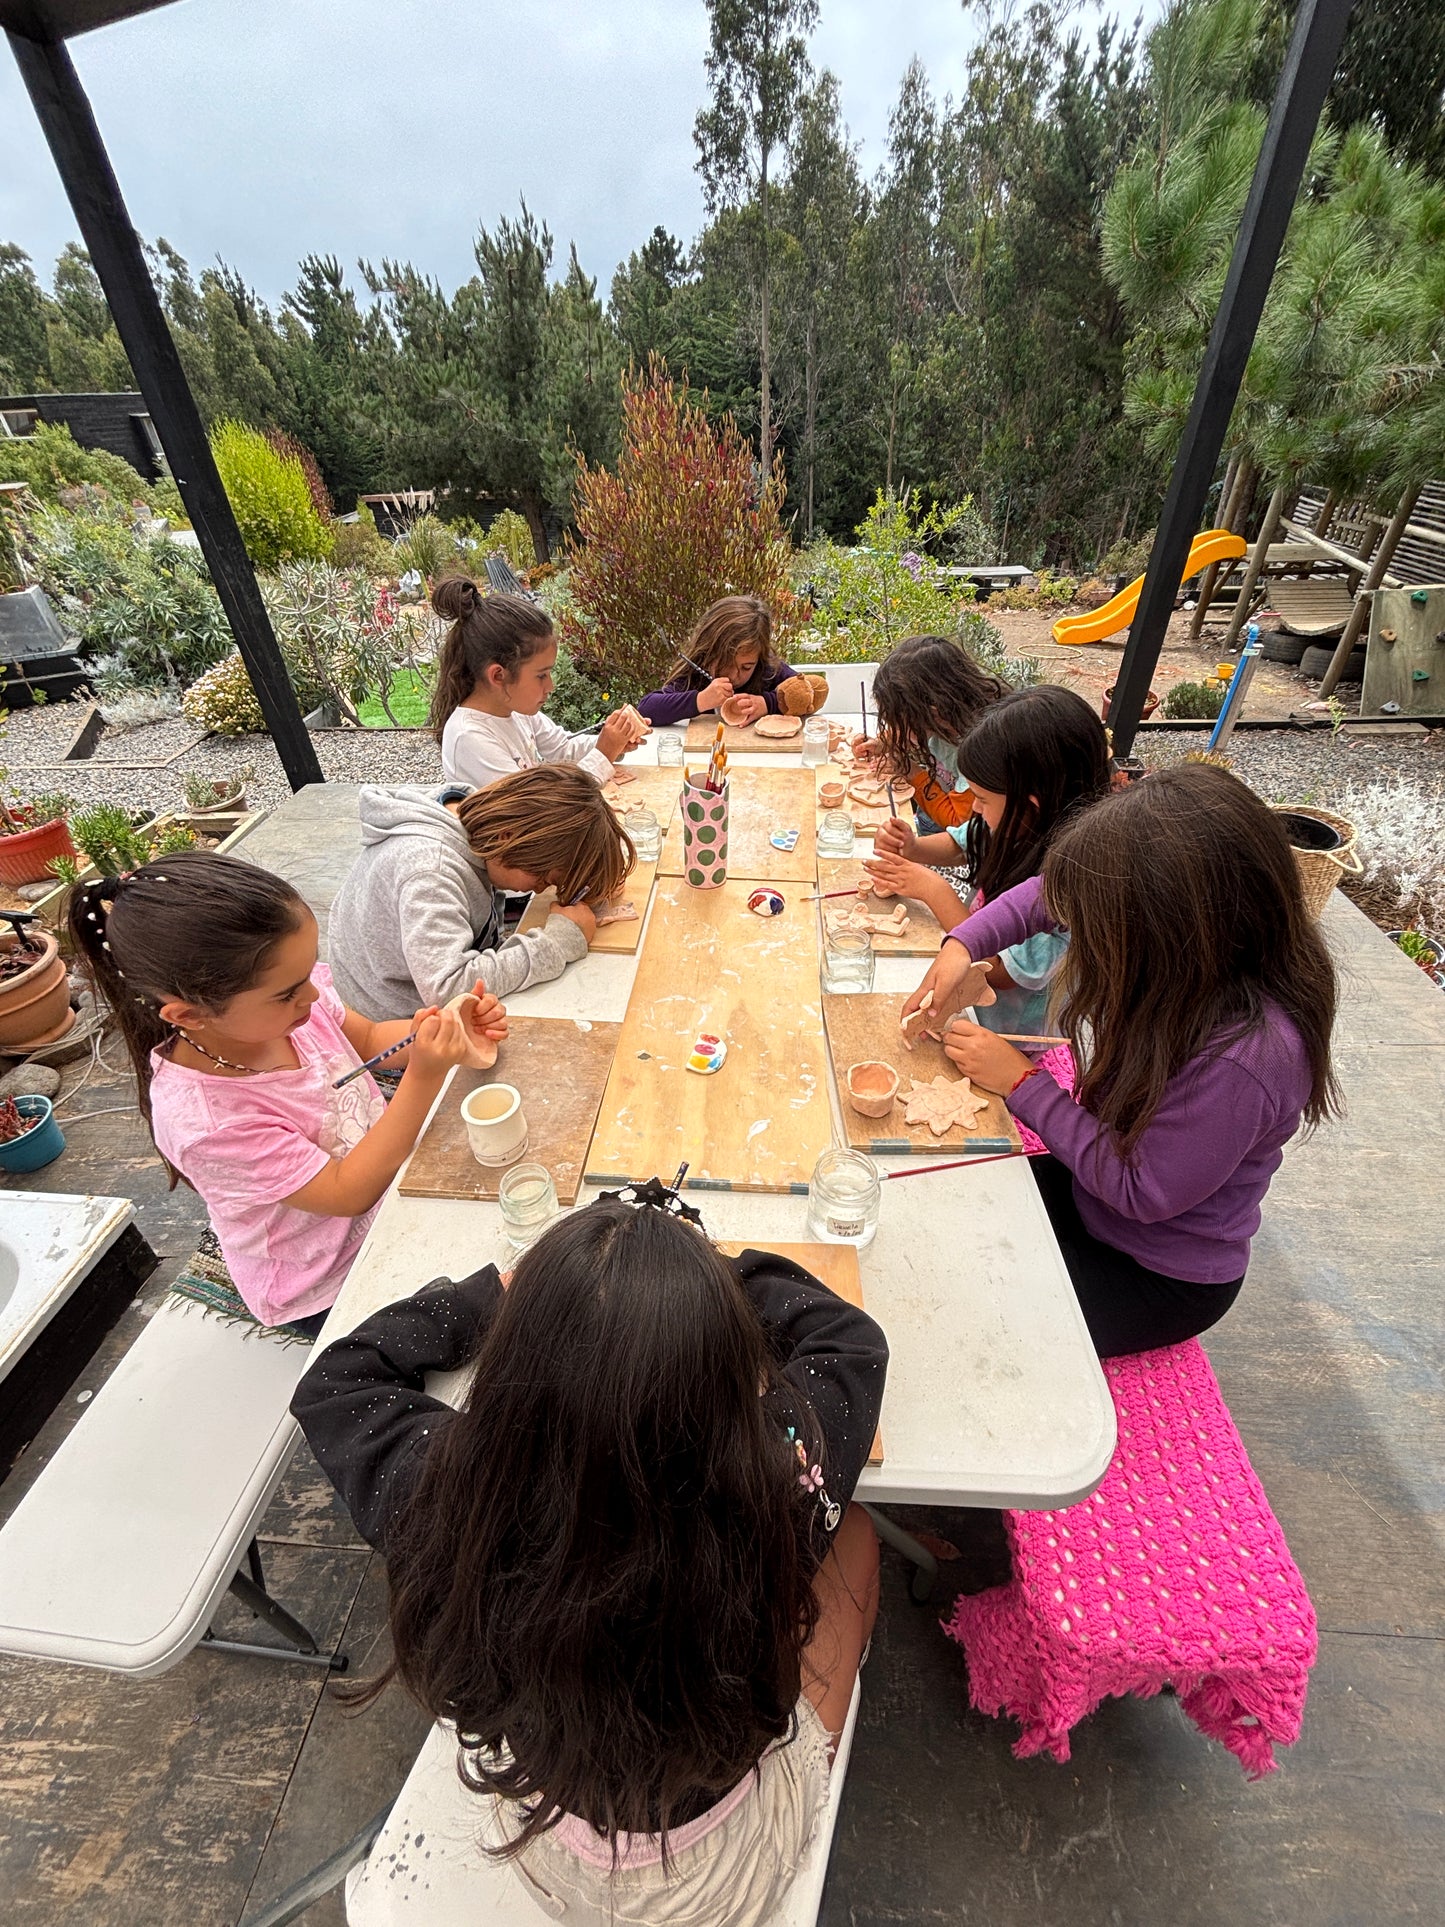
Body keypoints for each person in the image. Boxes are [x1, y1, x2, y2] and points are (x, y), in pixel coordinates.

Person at [291, 1187, 887, 1923]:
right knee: (856, 1535)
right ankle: (807, 1778)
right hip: (718, 1874)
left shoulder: (446, 1493)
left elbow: (336, 1381)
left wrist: (493, 1294)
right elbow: (850, 1342)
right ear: (721, 1372)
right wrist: (715, 1273)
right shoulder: (771, 1481)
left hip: (550, 1841)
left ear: (512, 1364)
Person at [902, 765, 1339, 1358]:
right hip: (1095, 1198)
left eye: (1098, 932)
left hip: (1156, 1271)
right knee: (945, 1203)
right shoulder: (1199, 958)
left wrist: (1023, 1084)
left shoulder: (1248, 1058)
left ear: (1169, 934)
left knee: (963, 1308)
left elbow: (1142, 1189)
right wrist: (963, 944)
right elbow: (1045, 896)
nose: (1081, 938)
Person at [68, 852, 506, 1334]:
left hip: (387, 1194)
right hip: (327, 1280)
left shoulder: (291, 1009)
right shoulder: (208, 1122)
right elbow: (347, 1191)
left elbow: (368, 1039)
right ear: (189, 1015)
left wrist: (438, 1035)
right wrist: (424, 1075)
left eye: (309, 973)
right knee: (497, 1319)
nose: (313, 996)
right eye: (288, 992)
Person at [866, 685, 1111, 1037]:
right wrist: (913, 847)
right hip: (970, 999)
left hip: (1011, 1033)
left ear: (1030, 805)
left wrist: (933, 890)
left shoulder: (1070, 888)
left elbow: (998, 970)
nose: (975, 808)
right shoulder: (1017, 823)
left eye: (981, 798)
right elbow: (962, 842)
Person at [329, 765, 633, 1022]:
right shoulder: (431, 872)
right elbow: (448, 989)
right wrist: (557, 943)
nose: (542, 889)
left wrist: (590, 881)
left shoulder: (481, 826)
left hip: (429, 976)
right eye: (544, 878)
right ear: (507, 838)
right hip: (394, 1025)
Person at [430, 577, 647, 790]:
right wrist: (604, 754)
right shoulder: (469, 738)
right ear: (498, 676)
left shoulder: (515, 709)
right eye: (542, 675)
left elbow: (563, 748)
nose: (550, 686)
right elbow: (544, 805)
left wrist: (613, 741)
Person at [853, 632, 1004, 834]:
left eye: (898, 721)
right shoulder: (948, 719)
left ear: (932, 713)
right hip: (934, 810)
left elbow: (957, 822)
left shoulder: (981, 752)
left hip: (955, 836)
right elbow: (912, 732)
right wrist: (884, 742)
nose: (896, 728)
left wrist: (909, 771)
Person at [638, 594, 800, 726]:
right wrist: (701, 700)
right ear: (708, 652)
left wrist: (768, 703)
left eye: (746, 667)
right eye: (726, 664)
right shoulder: (696, 673)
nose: (734, 676)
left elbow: (807, 691)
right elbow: (646, 710)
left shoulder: (766, 668)